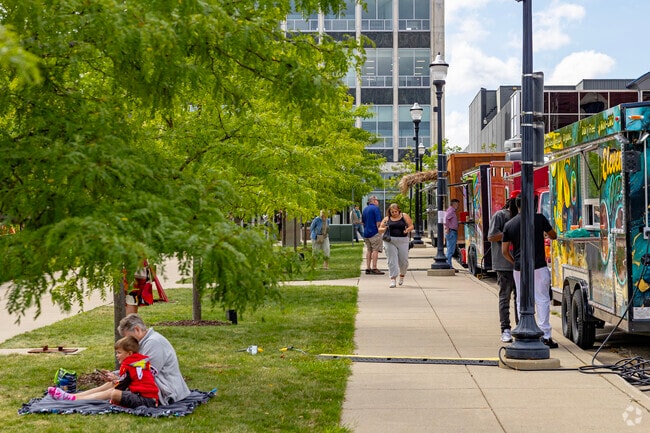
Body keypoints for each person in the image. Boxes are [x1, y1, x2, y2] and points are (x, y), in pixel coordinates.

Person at [501, 194, 558, 348]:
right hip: (539, 265)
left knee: (521, 299)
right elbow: (554, 235)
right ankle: (545, 334)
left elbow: (505, 251)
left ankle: (523, 331)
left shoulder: (510, 224)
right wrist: (544, 232)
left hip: (519, 268)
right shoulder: (539, 219)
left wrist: (515, 262)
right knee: (542, 299)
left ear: (516, 205)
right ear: (532, 204)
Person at [48, 336, 159, 408]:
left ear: (129, 353)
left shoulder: (129, 365)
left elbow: (121, 386)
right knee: (112, 384)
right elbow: (129, 381)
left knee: (113, 393)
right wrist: (114, 378)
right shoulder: (136, 361)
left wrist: (115, 382)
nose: (117, 356)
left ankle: (73, 399)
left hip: (147, 401)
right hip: (144, 397)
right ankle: (74, 396)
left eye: (119, 353)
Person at [116, 314, 191, 405]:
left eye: (128, 336)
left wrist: (118, 376)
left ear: (137, 329)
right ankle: (94, 395)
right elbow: (135, 369)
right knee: (115, 383)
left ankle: (94, 397)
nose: (127, 340)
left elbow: (145, 373)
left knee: (116, 387)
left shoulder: (153, 342)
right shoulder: (145, 342)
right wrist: (114, 374)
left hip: (166, 391)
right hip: (154, 385)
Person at [487, 192, 519, 343]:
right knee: (505, 297)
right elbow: (491, 236)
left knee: (520, 299)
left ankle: (521, 327)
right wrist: (509, 233)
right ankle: (505, 329)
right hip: (504, 264)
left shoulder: (523, 217)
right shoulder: (500, 216)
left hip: (520, 265)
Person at [379, 203, 414, 288]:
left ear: (399, 210)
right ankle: (393, 279)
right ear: (389, 212)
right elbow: (380, 229)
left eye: (396, 211)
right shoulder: (387, 219)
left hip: (403, 241)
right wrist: (384, 229)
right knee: (392, 260)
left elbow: (411, 226)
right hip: (390, 241)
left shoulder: (404, 216)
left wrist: (407, 230)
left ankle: (402, 275)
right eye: (392, 212)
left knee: (404, 261)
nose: (394, 213)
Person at [362, 195, 385, 275]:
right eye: (377, 200)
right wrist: (379, 231)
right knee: (375, 250)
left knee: (369, 250)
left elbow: (363, 222)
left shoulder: (365, 209)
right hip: (374, 233)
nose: (378, 202)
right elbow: (378, 222)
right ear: (374, 200)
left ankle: (368, 268)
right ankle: (374, 267)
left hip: (366, 233)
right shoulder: (376, 209)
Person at [444, 199, 460, 266]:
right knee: (450, 250)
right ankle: (448, 265)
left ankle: (449, 264)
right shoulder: (451, 211)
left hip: (452, 231)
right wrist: (447, 228)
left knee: (450, 249)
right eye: (457, 204)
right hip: (451, 232)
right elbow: (446, 218)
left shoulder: (451, 211)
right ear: (454, 204)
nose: (458, 206)